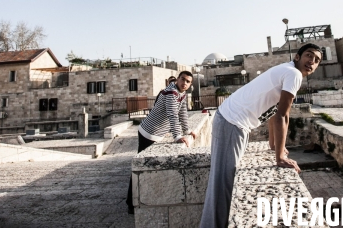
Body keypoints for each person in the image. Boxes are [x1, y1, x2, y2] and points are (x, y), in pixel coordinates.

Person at [200, 44, 322, 228]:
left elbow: (274, 111)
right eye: (309, 55)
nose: (312, 61)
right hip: (233, 122)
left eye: (317, 60)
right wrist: (280, 157)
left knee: (224, 181)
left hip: (231, 121)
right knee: (222, 183)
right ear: (297, 57)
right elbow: (283, 115)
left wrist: (274, 146)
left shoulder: (286, 70)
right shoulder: (294, 74)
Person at [126, 71, 196, 213]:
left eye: (188, 81)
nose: (184, 83)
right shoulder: (171, 92)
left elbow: (182, 114)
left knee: (142, 166)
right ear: (177, 79)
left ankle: (134, 200)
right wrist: (177, 136)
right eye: (182, 79)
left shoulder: (181, 94)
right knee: (139, 167)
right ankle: (130, 203)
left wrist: (187, 131)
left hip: (156, 134)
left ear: (190, 85)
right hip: (148, 133)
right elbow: (172, 114)